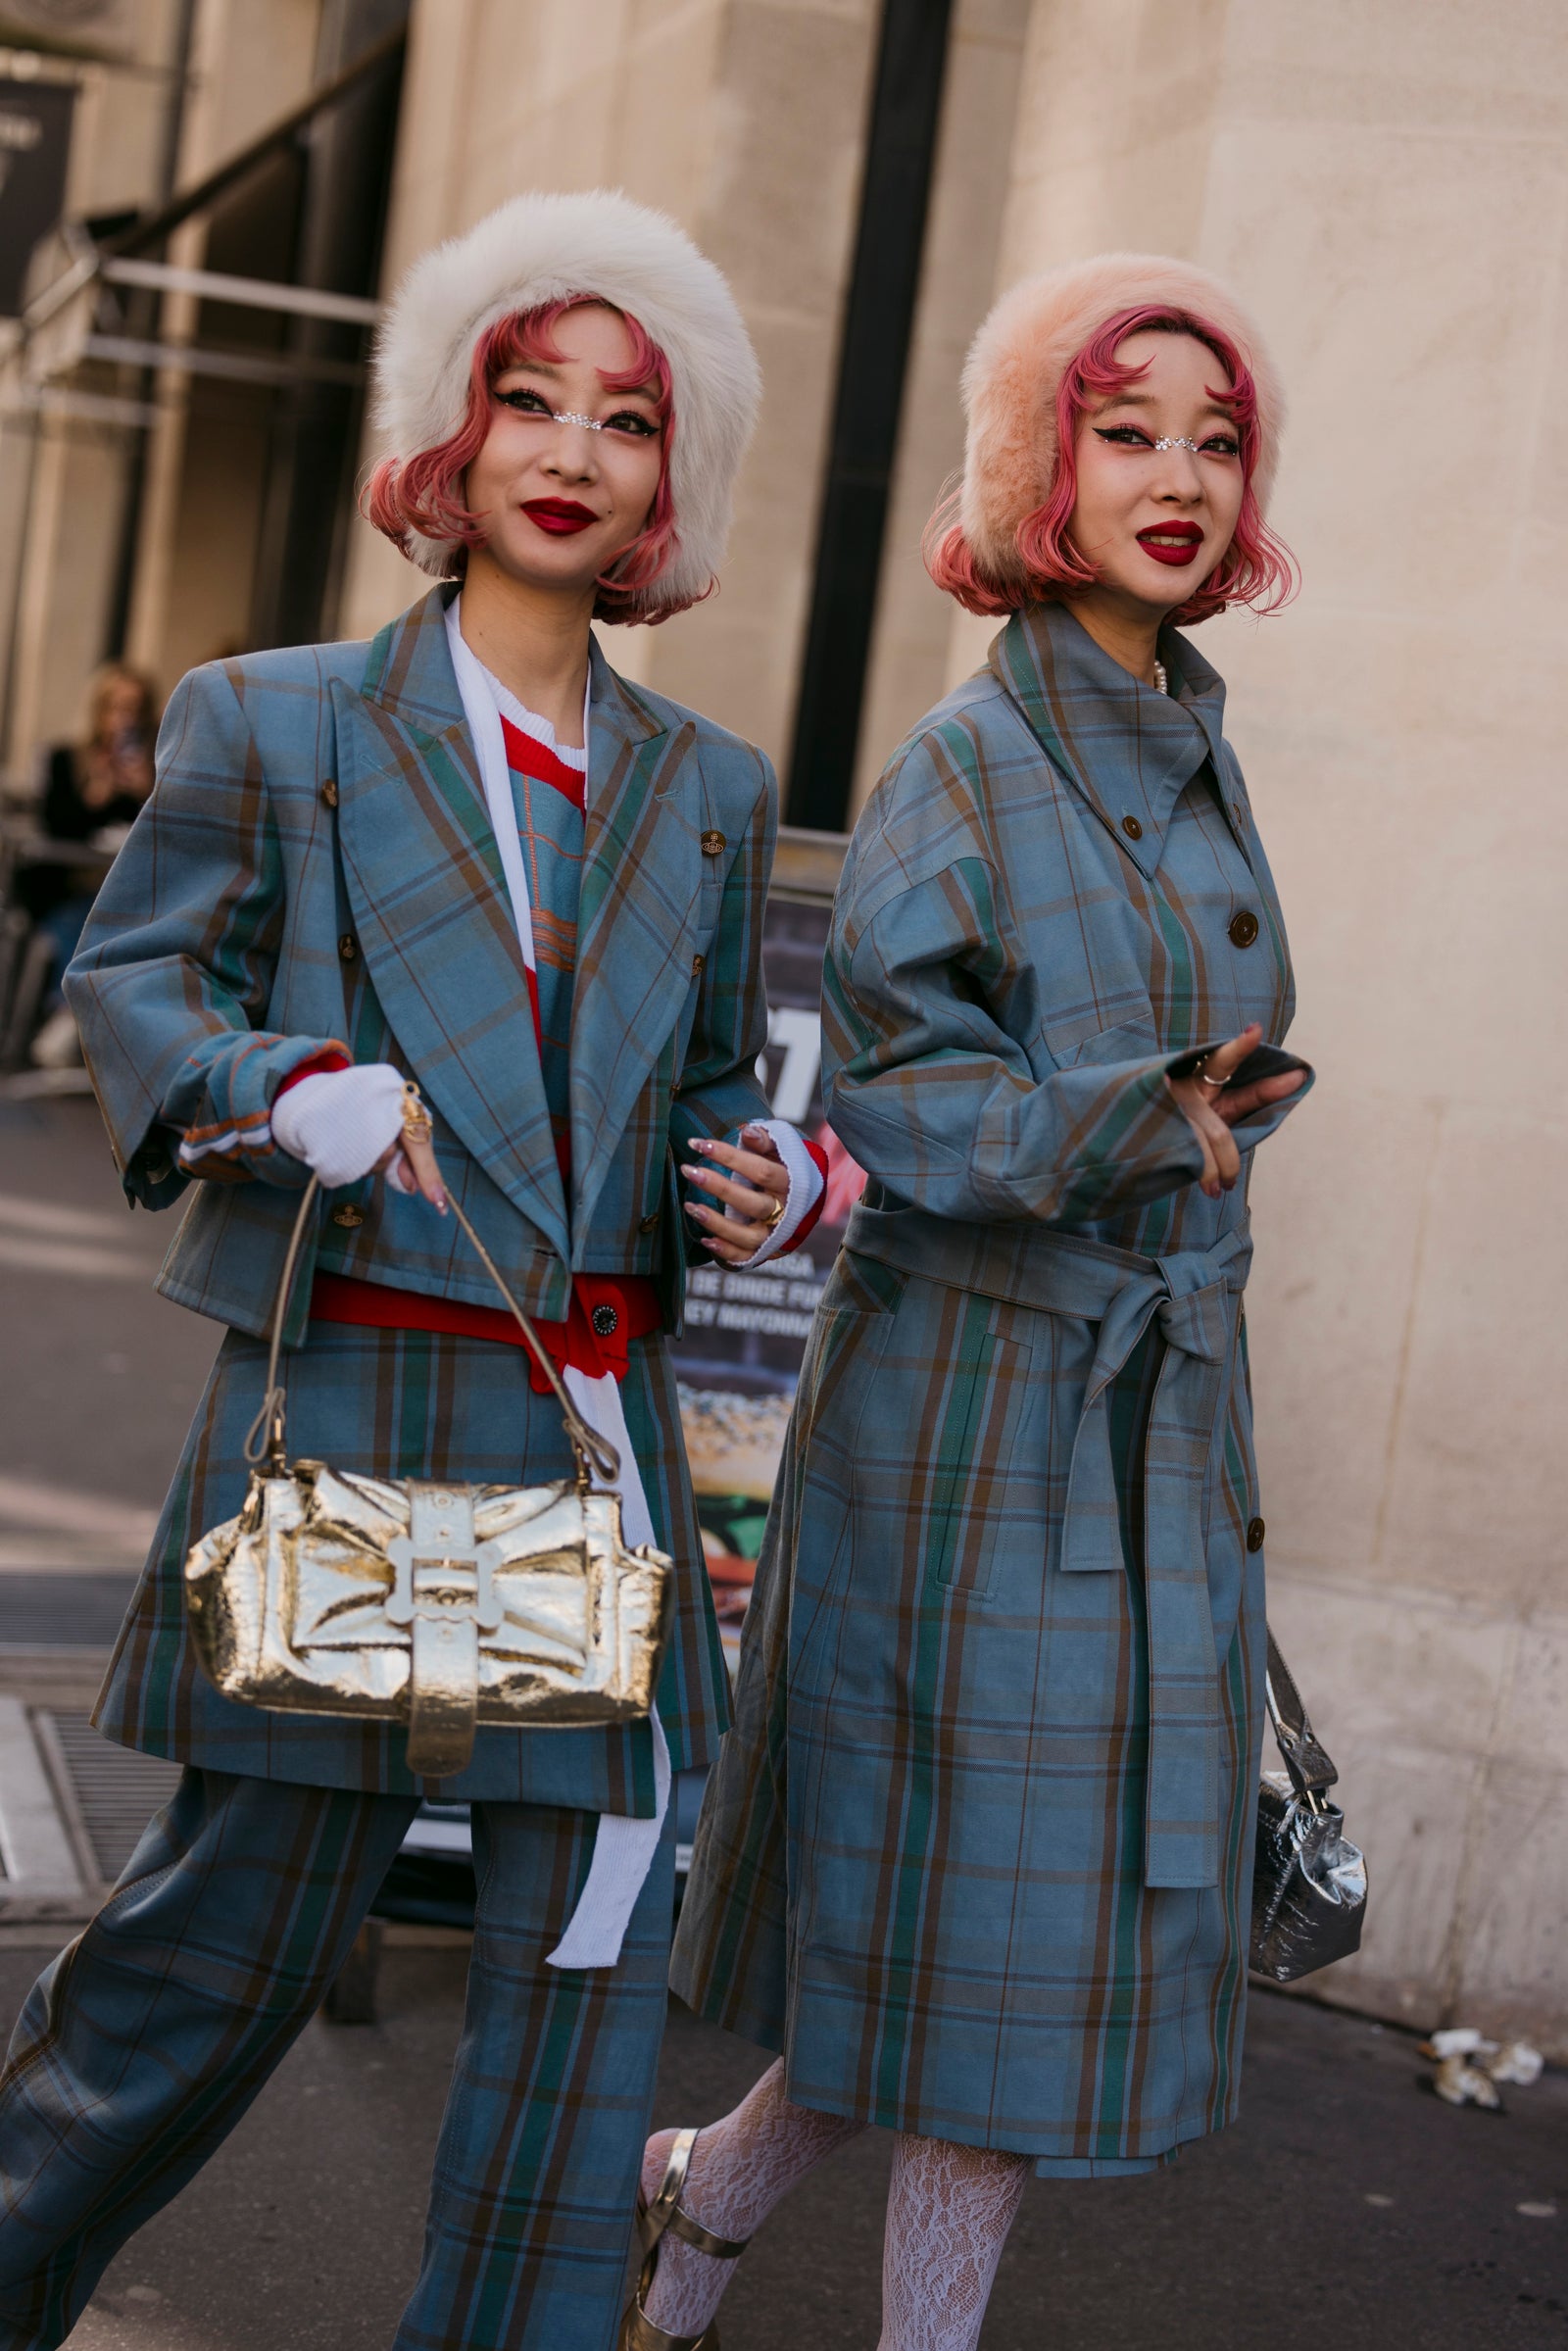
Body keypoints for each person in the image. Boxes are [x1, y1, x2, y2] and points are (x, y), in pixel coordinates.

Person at [0, 189, 825, 2351]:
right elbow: (134, 980)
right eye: (526, 395)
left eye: (626, 416)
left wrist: (744, 1183)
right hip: (351, 1399)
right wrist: (280, 1082)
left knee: (577, 2000)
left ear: (674, 474)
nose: (570, 446)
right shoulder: (272, 716)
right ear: (449, 439)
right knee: (209, 1962)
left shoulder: (708, 790)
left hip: (586, 1430)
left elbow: (697, 1096)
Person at [646, 255, 1313, 2351]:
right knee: (999, 1961)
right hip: (972, 1422)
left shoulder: (1192, 742)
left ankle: (700, 2198)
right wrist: (1136, 1120)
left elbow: (1167, 1055)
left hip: (1144, 1424)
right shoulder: (968, 753)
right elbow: (901, 1094)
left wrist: (1205, 1114)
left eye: (1214, 439)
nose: (1177, 475)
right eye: (1125, 430)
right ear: (1037, 462)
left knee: (973, 1949)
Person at [14, 663, 159, 1063]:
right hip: (70, 885)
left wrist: (146, 791)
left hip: (126, 889)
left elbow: (162, 835)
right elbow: (56, 826)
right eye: (116, 707)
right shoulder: (66, 759)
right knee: (83, 918)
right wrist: (95, 791)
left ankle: (87, 1021)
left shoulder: (154, 766)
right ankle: (68, 1009)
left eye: (135, 709)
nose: (124, 719)